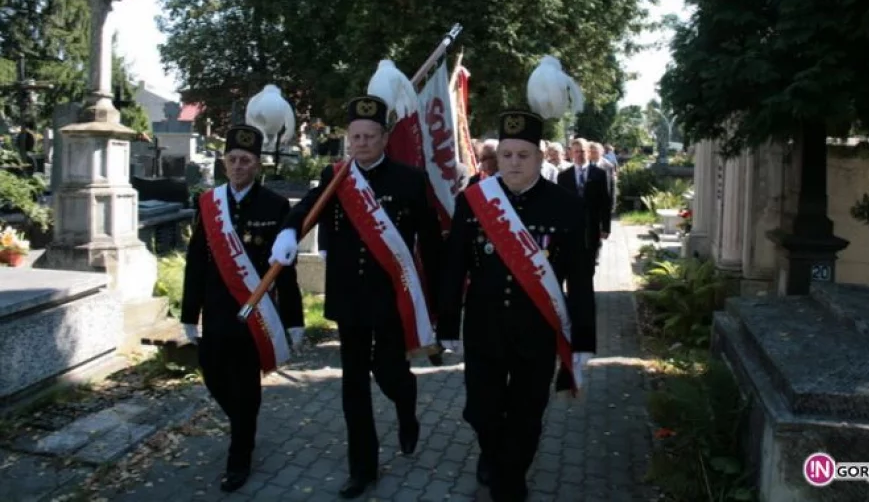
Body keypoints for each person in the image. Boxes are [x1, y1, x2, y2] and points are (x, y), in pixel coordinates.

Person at [270, 95, 443, 499]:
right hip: (349, 297)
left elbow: (432, 243)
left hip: (392, 297)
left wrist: (439, 304)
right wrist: (289, 230)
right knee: (353, 386)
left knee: (390, 373)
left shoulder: (410, 179)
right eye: (355, 137)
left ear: (384, 138)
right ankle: (362, 468)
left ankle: (406, 409)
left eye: (369, 136)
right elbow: (308, 207)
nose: (361, 143)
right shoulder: (337, 176)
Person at [439, 108, 596, 502]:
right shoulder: (474, 201)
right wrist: (447, 323)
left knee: (527, 414)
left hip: (537, 329)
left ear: (540, 158)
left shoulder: (566, 206)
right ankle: (495, 456)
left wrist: (583, 339)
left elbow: (580, 279)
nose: (513, 163)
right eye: (506, 155)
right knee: (482, 411)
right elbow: (454, 265)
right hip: (484, 327)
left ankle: (510, 480)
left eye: (523, 155)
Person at [181, 124, 304, 493]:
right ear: (224, 162)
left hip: (255, 314)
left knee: (246, 385)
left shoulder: (275, 205)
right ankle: (243, 424)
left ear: (257, 165)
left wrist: (294, 321)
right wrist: (189, 314)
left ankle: (240, 456)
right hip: (217, 309)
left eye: (246, 160)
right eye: (232, 159)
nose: (238, 166)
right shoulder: (209, 203)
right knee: (212, 374)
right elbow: (196, 262)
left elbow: (284, 269)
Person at [557, 138, 612, 274]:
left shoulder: (599, 174)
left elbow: (605, 201)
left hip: (592, 226)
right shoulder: (564, 176)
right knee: (573, 264)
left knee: (589, 264)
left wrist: (605, 227)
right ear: (571, 153)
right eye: (576, 152)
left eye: (582, 151)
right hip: (571, 227)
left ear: (588, 152)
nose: (579, 155)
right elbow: (560, 204)